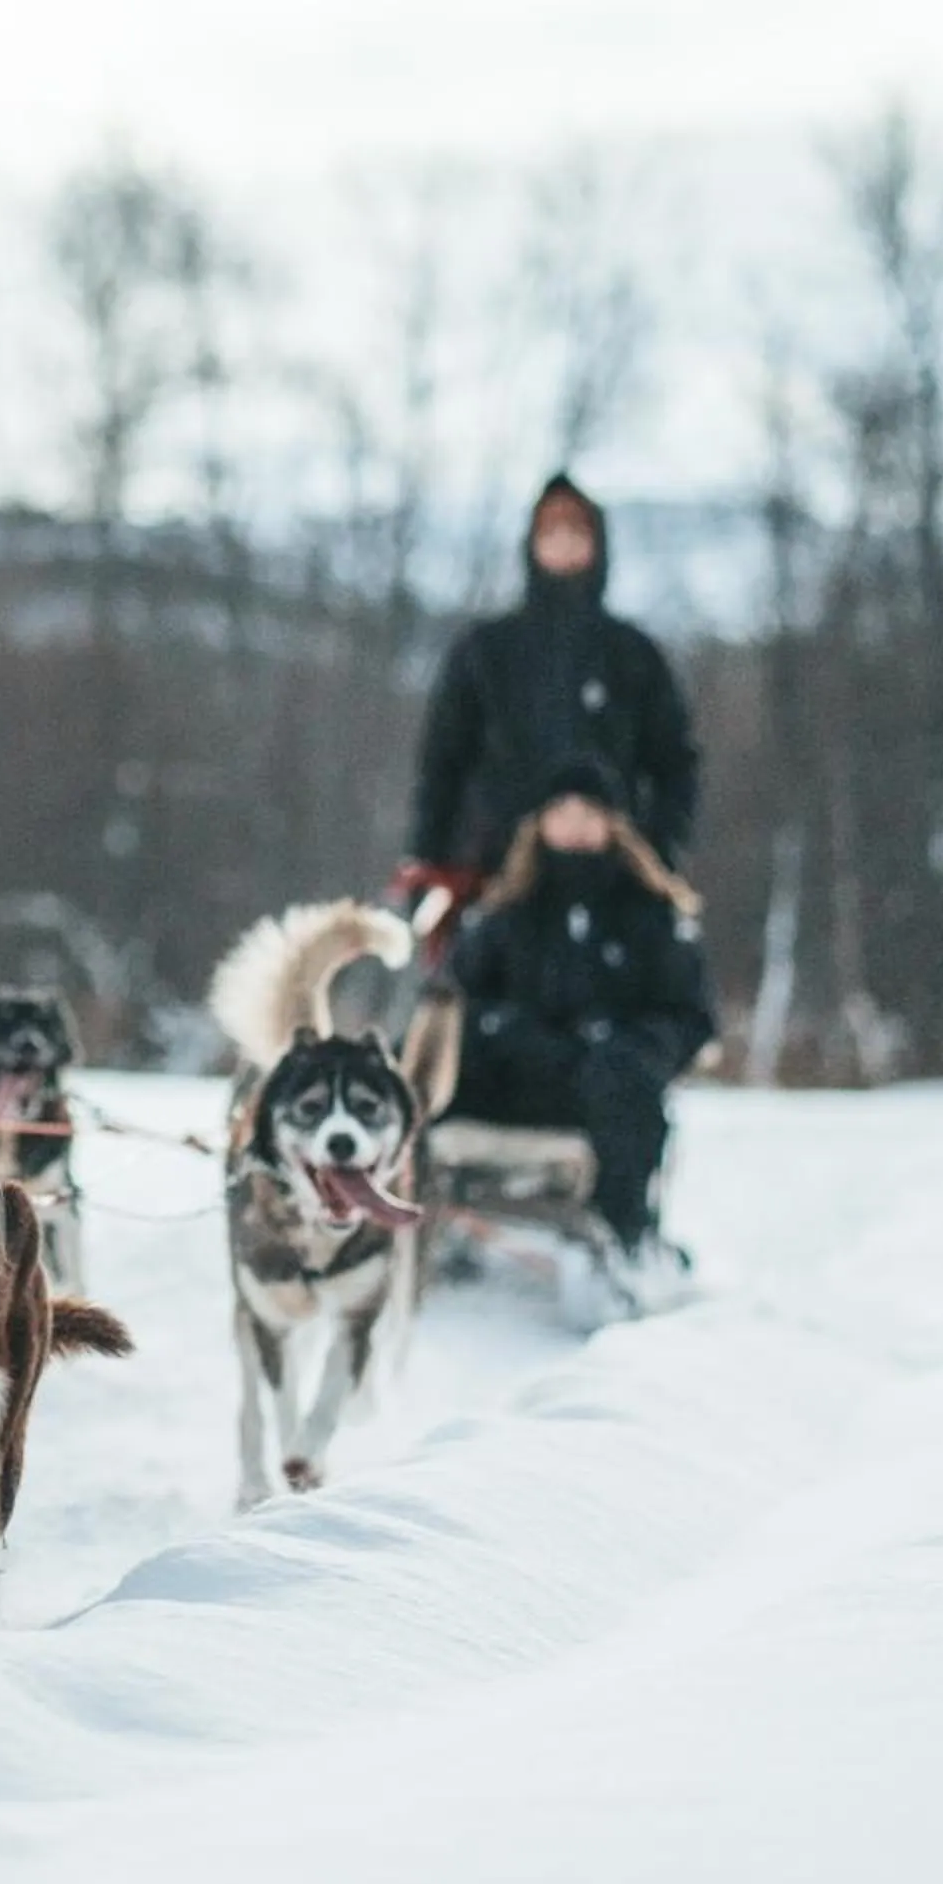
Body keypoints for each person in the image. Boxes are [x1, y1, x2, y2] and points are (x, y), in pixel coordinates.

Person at [445, 754, 716, 1298]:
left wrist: (632, 1047)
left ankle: (624, 1246)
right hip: (519, 1075)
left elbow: (690, 1017)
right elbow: (460, 997)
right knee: (429, 1058)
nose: (573, 824)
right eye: (561, 811)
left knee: (621, 1079)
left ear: (612, 822)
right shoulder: (507, 912)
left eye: (587, 811)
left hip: (606, 1084)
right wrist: (507, 1032)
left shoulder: (650, 914)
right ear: (539, 822)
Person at [407, 472, 701, 893]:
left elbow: (675, 766)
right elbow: (442, 766)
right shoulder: (486, 652)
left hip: (610, 891)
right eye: (551, 530)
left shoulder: (633, 656)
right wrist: (429, 868)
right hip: (494, 881)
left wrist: (654, 856)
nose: (563, 542)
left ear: (597, 543)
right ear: (532, 542)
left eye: (575, 530)